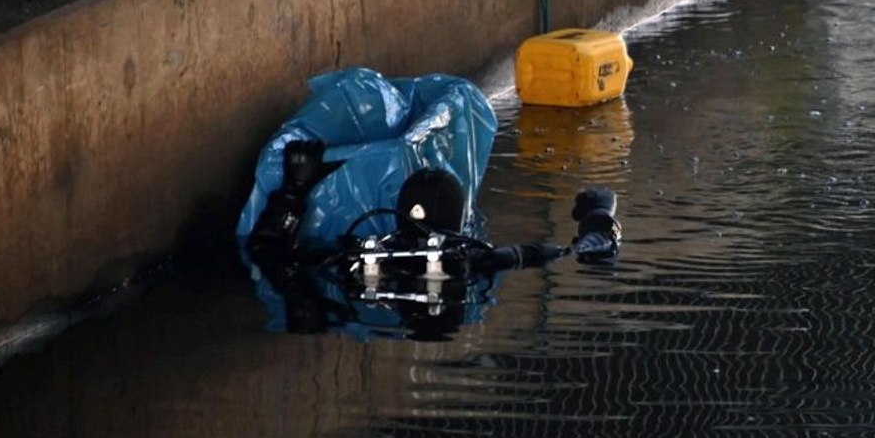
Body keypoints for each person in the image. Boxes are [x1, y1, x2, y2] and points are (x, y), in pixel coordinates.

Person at [245, 139, 621, 340]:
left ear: (400, 208)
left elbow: (265, 252)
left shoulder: (358, 255)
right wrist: (598, 213)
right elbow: (582, 250)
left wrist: (294, 190)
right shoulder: (474, 260)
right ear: (458, 220)